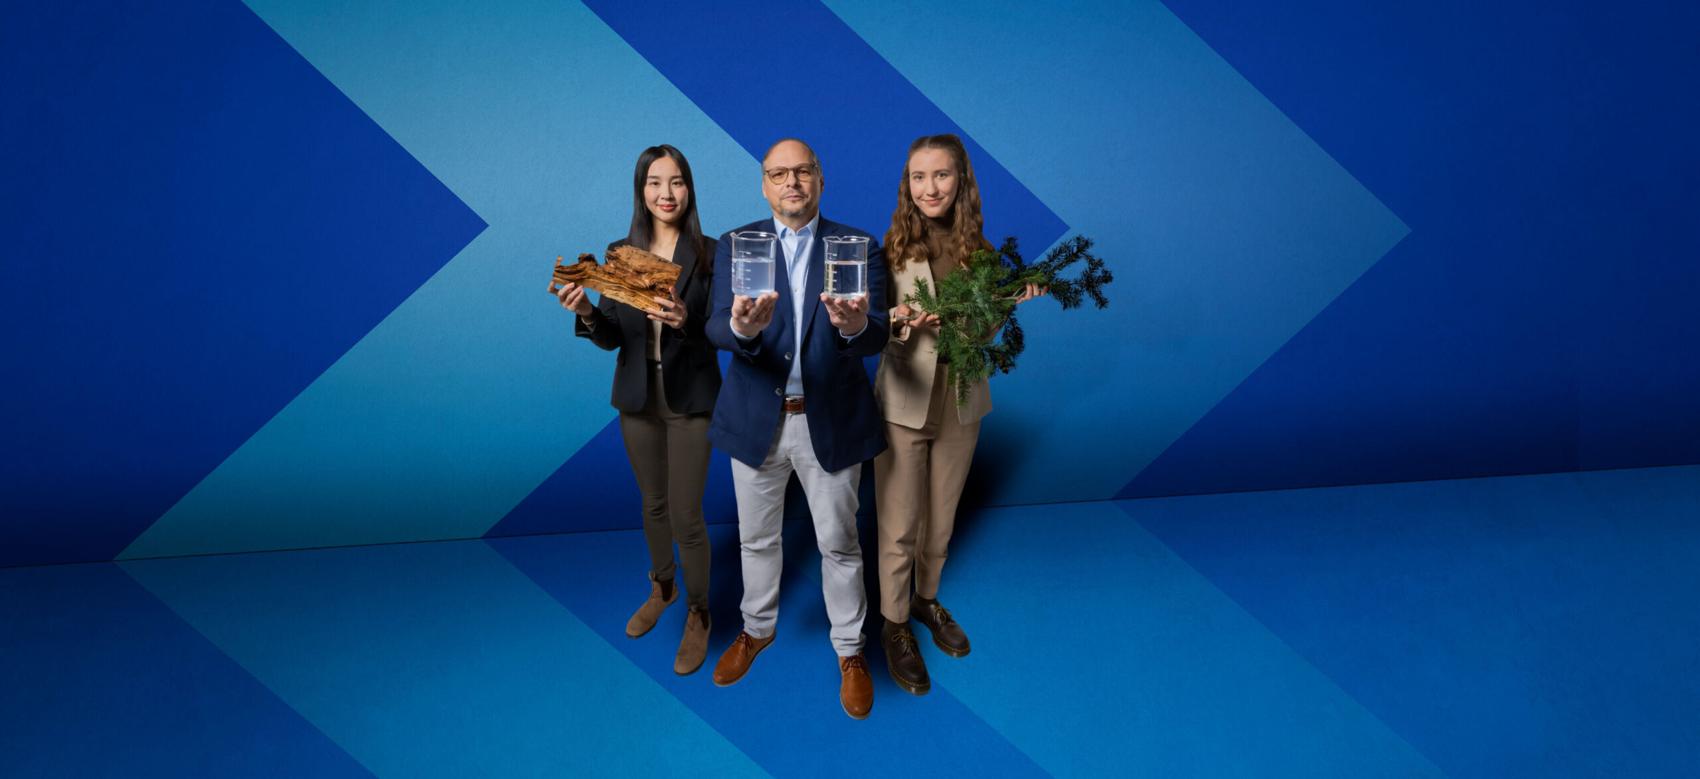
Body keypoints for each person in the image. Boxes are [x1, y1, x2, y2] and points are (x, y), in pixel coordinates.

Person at [705, 138, 889, 720]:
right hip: (756, 417)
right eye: (779, 174)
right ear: (764, 184)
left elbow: (879, 333)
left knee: (839, 543)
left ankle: (851, 650)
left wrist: (859, 326)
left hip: (828, 419)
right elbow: (713, 326)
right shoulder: (737, 244)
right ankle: (756, 630)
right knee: (756, 538)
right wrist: (741, 329)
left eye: (803, 171)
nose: (792, 183)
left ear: (820, 179)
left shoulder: (857, 245)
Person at [872, 134, 1044, 695]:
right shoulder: (891, 249)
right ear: (907, 185)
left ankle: (925, 601)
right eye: (918, 177)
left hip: (962, 399)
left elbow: (982, 332)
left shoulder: (982, 253)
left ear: (961, 181)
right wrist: (900, 320)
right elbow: (871, 323)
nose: (930, 188)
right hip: (905, 399)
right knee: (899, 523)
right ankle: (894, 625)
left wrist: (1006, 303)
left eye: (941, 176)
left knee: (941, 517)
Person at [552, 144, 721, 675]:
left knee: (686, 513)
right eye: (654, 182)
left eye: (675, 182)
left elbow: (720, 333)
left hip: (691, 397)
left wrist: (684, 321)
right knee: (652, 503)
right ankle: (662, 587)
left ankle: (699, 611)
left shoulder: (711, 253)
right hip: (636, 395)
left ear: (689, 189)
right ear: (640, 189)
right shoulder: (620, 251)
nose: (665, 193)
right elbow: (609, 337)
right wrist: (583, 312)